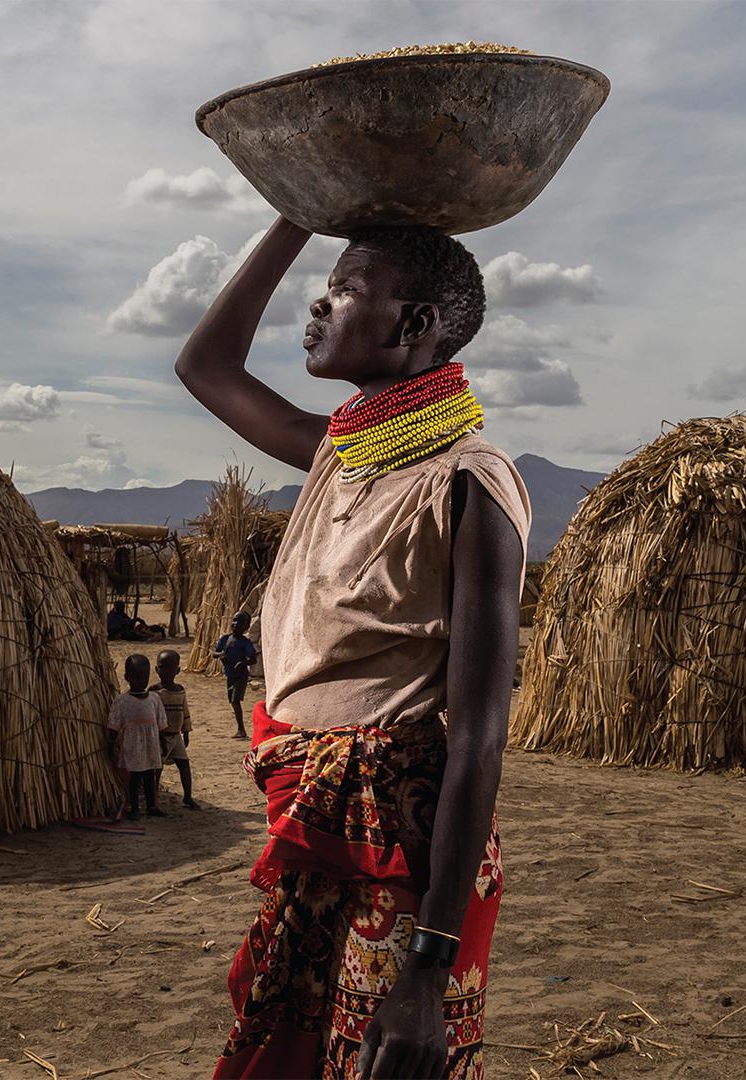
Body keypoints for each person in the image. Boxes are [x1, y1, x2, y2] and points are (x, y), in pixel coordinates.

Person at [176, 216, 529, 1079]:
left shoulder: (467, 484)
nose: (319, 306)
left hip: (404, 852)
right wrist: (299, 210)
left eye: (344, 291)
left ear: (415, 324)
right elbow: (205, 366)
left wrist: (429, 968)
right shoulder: (339, 453)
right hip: (318, 824)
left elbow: (479, 739)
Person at [106, 654, 167, 819]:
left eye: (144, 678)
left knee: (150, 777)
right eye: (136, 678)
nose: (141, 681)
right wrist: (110, 744)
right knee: (134, 778)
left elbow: (161, 725)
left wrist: (163, 744)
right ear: (127, 678)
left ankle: (151, 805)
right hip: (133, 748)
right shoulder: (121, 702)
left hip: (151, 747)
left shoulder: (154, 699)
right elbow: (114, 725)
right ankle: (133, 807)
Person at [151, 648, 199, 809]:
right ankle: (153, 800)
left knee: (184, 765)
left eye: (170, 668)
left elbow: (185, 711)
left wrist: (186, 732)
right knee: (157, 769)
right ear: (157, 669)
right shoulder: (154, 692)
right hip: (160, 736)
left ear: (177, 670)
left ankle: (188, 797)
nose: (166, 671)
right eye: (162, 667)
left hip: (176, 736)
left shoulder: (179, 690)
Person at [213, 612, 259, 740]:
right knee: (233, 702)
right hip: (230, 674)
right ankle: (240, 729)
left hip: (241, 675)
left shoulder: (245, 643)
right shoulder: (225, 639)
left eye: (240, 622)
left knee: (235, 700)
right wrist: (221, 655)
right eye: (234, 620)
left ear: (246, 627)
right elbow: (214, 653)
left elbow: (253, 659)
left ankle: (241, 729)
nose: (236, 624)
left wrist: (242, 663)